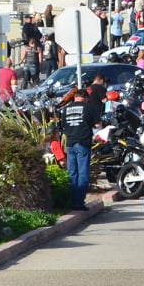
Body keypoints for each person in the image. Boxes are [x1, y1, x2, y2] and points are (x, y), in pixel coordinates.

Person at [56, 73, 103, 211]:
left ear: (76, 97)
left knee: (72, 173)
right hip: (83, 143)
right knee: (82, 173)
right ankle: (79, 202)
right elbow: (97, 125)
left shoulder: (65, 110)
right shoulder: (89, 108)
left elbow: (63, 126)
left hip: (70, 144)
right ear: (86, 99)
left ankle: (72, 201)